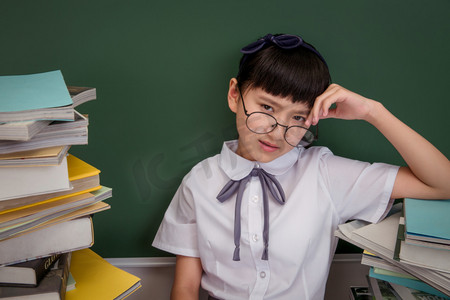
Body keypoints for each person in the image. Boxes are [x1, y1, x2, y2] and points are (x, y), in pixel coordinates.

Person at [152, 33, 450, 300]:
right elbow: (186, 287)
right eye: (267, 108)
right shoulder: (199, 182)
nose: (278, 132)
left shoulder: (325, 173)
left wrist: (373, 112)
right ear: (234, 94)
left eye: (298, 118)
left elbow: (442, 183)